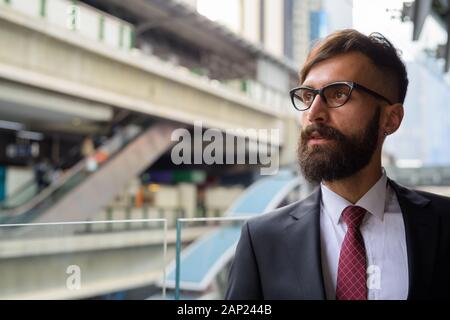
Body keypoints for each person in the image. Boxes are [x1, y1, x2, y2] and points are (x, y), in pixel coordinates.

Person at [225, 29, 450, 300]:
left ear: (390, 119)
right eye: (308, 96)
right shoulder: (261, 239)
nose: (313, 113)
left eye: (339, 93)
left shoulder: (443, 223)